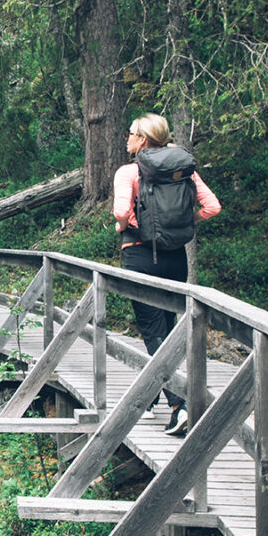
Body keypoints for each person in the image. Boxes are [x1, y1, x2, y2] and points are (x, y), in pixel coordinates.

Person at [112, 113, 221, 435]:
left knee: (152, 330)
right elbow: (212, 207)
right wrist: (186, 224)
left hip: (139, 253)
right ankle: (151, 397)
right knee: (167, 330)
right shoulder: (182, 170)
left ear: (143, 139)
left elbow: (120, 212)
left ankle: (180, 404)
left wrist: (122, 226)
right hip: (175, 258)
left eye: (131, 133)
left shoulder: (129, 172)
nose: (126, 138)